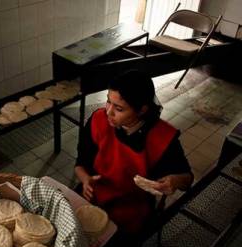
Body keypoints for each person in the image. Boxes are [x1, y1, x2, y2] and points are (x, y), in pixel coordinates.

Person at [75, 70, 193, 235]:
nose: (108, 112)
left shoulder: (163, 138)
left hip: (131, 210)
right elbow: (81, 163)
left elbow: (187, 179)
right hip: (93, 196)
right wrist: (85, 179)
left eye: (119, 109)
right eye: (108, 102)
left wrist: (174, 180)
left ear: (141, 110)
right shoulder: (98, 120)